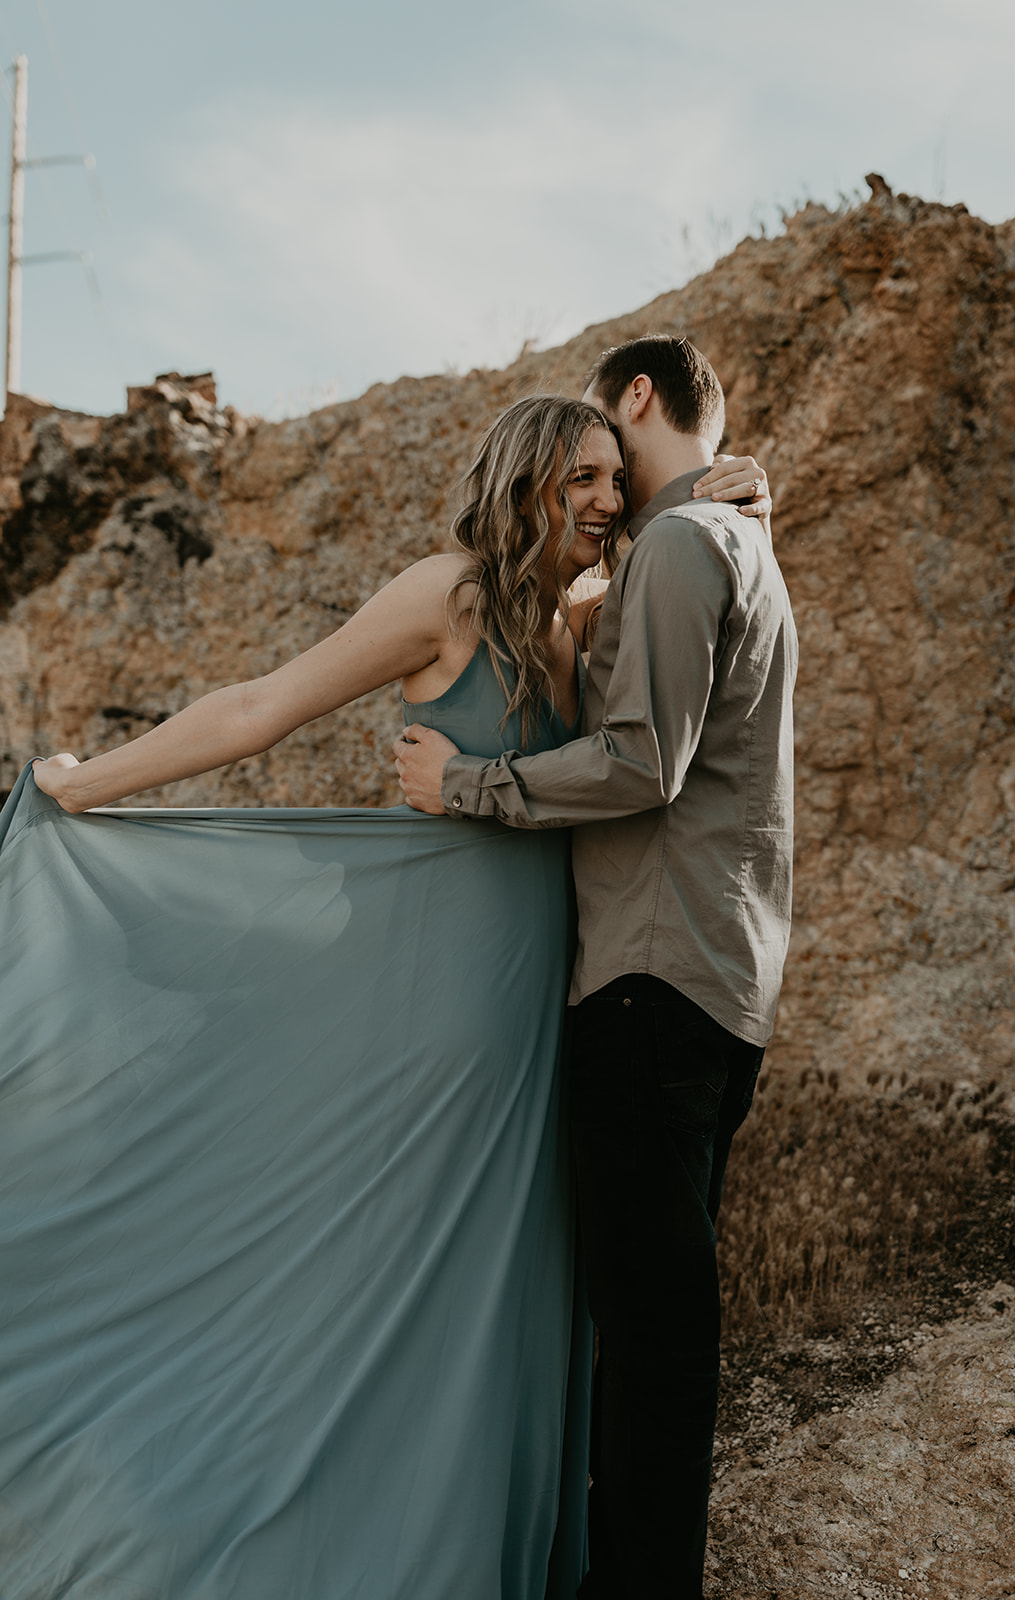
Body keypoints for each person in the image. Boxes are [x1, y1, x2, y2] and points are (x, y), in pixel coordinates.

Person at [1, 389, 769, 1600]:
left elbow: (681, 621)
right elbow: (262, 705)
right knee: (397, 1262)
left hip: (533, 1010)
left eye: (613, 486)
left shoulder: (571, 618)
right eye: (579, 480)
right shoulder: (447, 595)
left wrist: (730, 487)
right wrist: (91, 784)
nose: (602, 504)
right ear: (521, 478)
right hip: (437, 991)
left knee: (500, 1281)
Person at [395, 336, 798, 1600]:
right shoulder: (728, 540)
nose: (598, 483)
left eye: (600, 443)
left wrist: (465, 782)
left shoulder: (686, 545)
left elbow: (639, 762)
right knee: (643, 1327)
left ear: (634, 398)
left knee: (651, 1344)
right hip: (712, 981)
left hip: (648, 985)